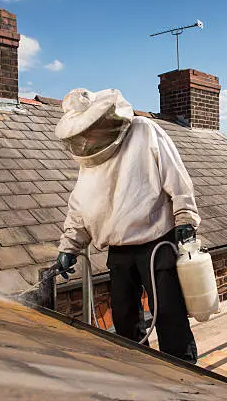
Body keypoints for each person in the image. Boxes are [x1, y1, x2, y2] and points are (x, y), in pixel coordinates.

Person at [54, 88, 200, 363]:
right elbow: (82, 207)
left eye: (90, 130)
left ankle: (184, 373)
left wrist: (185, 217)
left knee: (168, 314)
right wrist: (69, 247)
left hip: (156, 240)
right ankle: (136, 370)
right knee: (123, 317)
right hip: (119, 249)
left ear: (105, 121)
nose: (86, 139)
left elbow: (176, 176)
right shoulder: (91, 158)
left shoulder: (144, 131)